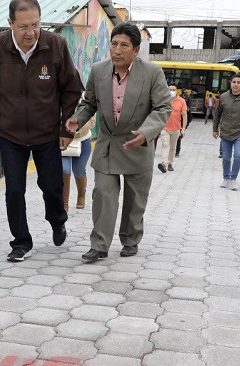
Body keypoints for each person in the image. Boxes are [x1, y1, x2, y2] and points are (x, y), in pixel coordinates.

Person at [0, 0, 82, 262]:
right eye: (23, 27)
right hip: (10, 134)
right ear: (10, 23)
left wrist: (65, 128)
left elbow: (71, 88)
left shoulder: (55, 45)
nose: (31, 32)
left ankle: (57, 220)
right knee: (14, 190)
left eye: (36, 25)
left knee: (51, 187)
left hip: (47, 133)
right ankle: (21, 241)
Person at [67, 22, 170, 262]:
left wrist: (146, 132)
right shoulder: (98, 70)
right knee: (103, 194)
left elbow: (163, 106)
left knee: (135, 199)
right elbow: (89, 103)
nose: (117, 50)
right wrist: (77, 119)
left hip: (138, 142)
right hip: (108, 145)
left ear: (136, 50)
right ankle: (99, 245)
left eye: (124, 45)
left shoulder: (152, 73)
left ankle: (131, 238)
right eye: (114, 44)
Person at [213, 74, 240, 190]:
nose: (236, 84)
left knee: (238, 155)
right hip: (225, 132)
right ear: (230, 83)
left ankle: (233, 179)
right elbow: (217, 114)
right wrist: (214, 129)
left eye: (238, 82)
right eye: (234, 82)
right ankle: (226, 178)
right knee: (226, 157)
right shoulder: (223, 97)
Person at [62, 115, 96, 211]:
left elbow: (92, 121)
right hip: (63, 140)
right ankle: (64, 202)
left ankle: (81, 195)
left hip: (83, 140)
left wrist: (76, 131)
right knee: (65, 170)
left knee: (79, 171)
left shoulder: (85, 100)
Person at [157, 84, 187, 173]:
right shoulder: (164, 100)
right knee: (165, 145)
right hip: (165, 127)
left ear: (177, 90)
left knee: (173, 147)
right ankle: (163, 164)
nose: (172, 91)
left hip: (176, 128)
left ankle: (170, 163)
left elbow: (184, 115)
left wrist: (184, 128)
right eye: (170, 89)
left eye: (174, 89)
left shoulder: (181, 101)